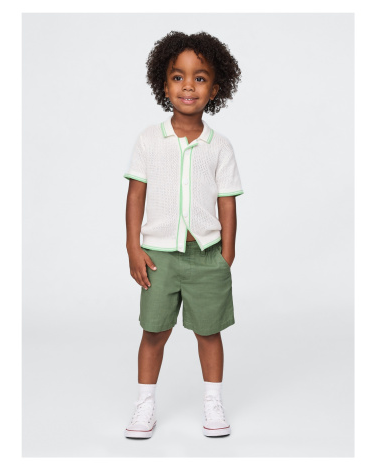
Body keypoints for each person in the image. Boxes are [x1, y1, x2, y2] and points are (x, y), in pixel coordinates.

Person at [123, 31, 244, 439]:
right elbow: (135, 195)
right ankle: (144, 405)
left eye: (200, 78)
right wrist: (133, 247)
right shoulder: (148, 140)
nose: (188, 86)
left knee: (209, 332)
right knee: (154, 331)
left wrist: (226, 255)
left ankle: (213, 402)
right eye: (178, 77)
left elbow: (227, 202)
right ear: (164, 84)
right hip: (158, 257)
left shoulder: (219, 146)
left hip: (207, 255)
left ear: (216, 89)